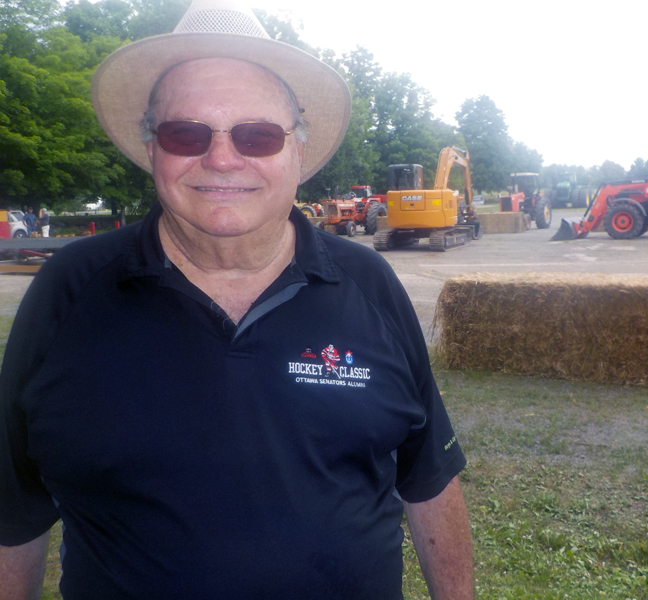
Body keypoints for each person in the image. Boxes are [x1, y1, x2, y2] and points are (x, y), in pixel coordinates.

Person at [0, 1, 473, 599]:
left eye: (256, 134)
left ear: (297, 150)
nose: (222, 158)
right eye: (186, 133)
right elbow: (11, 509)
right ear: (153, 148)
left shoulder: (370, 282)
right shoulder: (67, 289)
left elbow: (428, 479)